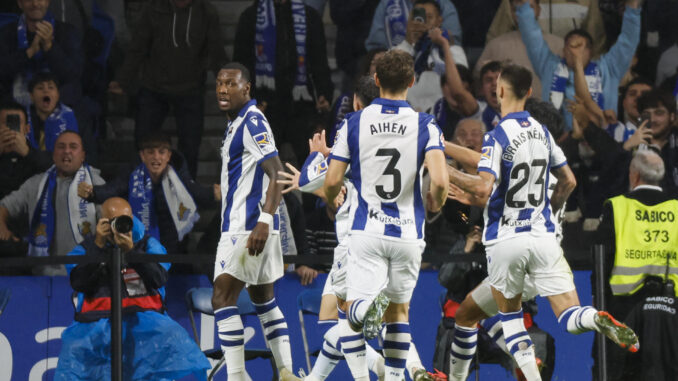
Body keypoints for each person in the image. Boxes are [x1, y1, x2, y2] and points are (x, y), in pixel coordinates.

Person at [445, 63, 638, 380]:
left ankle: (519, 369)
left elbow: (482, 184)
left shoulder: (499, 137)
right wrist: (548, 211)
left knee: (505, 320)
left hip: (509, 245)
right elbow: (570, 182)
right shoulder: (544, 139)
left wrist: (444, 167)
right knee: (566, 315)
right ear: (530, 93)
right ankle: (592, 318)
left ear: (500, 91)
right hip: (546, 245)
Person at [279, 75, 442, 381]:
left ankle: (379, 368)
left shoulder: (352, 130)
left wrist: (316, 158)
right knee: (395, 316)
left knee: (338, 321)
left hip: (357, 242)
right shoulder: (408, 132)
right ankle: (414, 368)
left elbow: (315, 181)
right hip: (399, 234)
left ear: (356, 102)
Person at [323, 49, 448, 381]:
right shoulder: (426, 124)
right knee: (399, 314)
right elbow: (438, 181)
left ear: (376, 80)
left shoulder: (353, 122)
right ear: (411, 81)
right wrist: (435, 203)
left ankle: (367, 308)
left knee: (353, 311)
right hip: (408, 233)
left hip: (368, 230)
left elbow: (333, 180)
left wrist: (330, 199)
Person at [54, 197, 210, 381]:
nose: (118, 225)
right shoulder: (87, 248)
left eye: (124, 219)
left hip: (146, 320)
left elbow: (159, 278)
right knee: (74, 347)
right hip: (95, 322)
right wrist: (98, 246)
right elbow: (79, 282)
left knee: (171, 335)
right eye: (112, 220)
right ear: (101, 221)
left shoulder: (148, 244)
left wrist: (132, 251)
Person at [211, 62, 300, 381]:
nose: (223, 89)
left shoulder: (251, 120)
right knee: (264, 300)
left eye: (230, 84)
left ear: (246, 88)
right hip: (253, 226)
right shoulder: (236, 123)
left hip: (248, 227)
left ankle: (236, 376)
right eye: (220, 83)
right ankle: (287, 371)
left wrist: (264, 218)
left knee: (222, 298)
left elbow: (277, 172)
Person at [109, 0, 228, 179]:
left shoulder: (206, 12)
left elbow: (217, 52)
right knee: (143, 141)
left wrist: (228, 87)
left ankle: (186, 193)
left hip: (191, 88)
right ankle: (139, 188)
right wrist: (123, 80)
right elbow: (138, 48)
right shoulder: (153, 8)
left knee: (190, 147)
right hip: (153, 87)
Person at [594, 149, 677, 380]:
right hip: (671, 310)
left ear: (634, 175)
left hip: (623, 311)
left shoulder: (616, 207)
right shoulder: (676, 209)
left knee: (620, 373)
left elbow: (602, 260)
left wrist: (598, 306)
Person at [77, 131, 218, 256]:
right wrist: (92, 193)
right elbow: (112, 189)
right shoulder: (132, 174)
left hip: (174, 250)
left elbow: (195, 192)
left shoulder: (178, 175)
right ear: (142, 156)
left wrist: (214, 194)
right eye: (150, 152)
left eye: (161, 152)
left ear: (169, 156)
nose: (156, 157)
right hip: (139, 247)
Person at [514, 0, 641, 130]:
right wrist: (522, 8)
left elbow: (628, 40)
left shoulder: (609, 69)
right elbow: (532, 37)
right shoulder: (550, 67)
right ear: (563, 52)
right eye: (570, 47)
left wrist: (633, 9)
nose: (574, 52)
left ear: (590, 52)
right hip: (560, 142)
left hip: (602, 141)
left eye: (579, 46)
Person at [233, 0, 334, 163]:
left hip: (301, 103)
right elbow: (242, 64)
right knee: (263, 167)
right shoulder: (251, 17)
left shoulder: (309, 17)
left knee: (311, 165)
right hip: (265, 105)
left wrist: (324, 93)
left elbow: (319, 61)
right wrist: (249, 101)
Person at [0, 131, 103, 275]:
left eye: (73, 147)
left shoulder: (96, 184)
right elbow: (4, 207)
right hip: (42, 276)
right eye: (61, 147)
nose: (67, 151)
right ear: (54, 154)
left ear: (83, 156)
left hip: (84, 276)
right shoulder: (35, 184)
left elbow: (110, 220)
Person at [0, 0, 83, 108]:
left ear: (48, 2)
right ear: (20, 4)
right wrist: (29, 52)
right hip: (15, 105)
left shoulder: (68, 32)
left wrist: (50, 47)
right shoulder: (6, 33)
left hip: (59, 103)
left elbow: (73, 75)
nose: (35, 4)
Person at [474, 0, 563, 99]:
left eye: (530, 7)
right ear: (511, 13)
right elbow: (479, 84)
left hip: (549, 111)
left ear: (539, 10)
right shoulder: (495, 46)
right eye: (516, 8)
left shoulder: (559, 45)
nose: (524, 12)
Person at [392, 0, 468, 112]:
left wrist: (444, 45)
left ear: (439, 21)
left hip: (444, 115)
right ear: (408, 21)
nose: (423, 22)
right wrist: (408, 43)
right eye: (417, 18)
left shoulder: (453, 51)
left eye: (429, 17)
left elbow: (462, 87)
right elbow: (389, 86)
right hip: (405, 115)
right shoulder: (396, 51)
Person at [0, 100, 52, 199]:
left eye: (15, 123)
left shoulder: (40, 158)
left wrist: (28, 153)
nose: (10, 129)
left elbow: (61, 171)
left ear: (27, 129)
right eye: (6, 123)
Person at [365, 0, 462, 51]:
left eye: (429, 16)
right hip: (393, 69)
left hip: (436, 69)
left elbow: (454, 45)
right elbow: (376, 47)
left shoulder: (444, 5)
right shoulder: (387, 3)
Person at [443, 59, 503, 133]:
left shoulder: (518, 110)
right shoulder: (479, 109)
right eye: (489, 80)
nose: (494, 83)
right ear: (482, 89)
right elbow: (458, 92)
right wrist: (446, 48)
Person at [26, 71, 79, 152]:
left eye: (51, 87)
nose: (46, 91)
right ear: (31, 96)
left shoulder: (75, 118)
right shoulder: (22, 118)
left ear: (58, 95)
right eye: (40, 88)